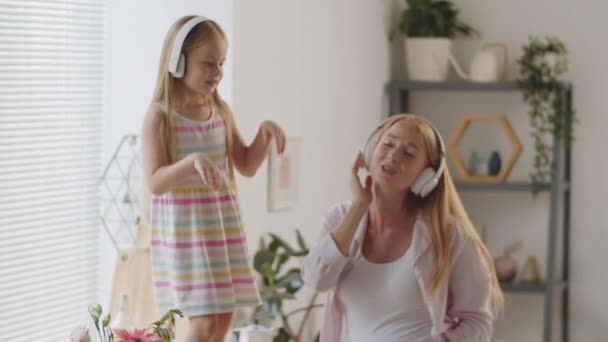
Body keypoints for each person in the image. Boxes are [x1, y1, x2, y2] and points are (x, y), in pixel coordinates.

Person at [142, 15, 286, 342]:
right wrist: (192, 162)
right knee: (203, 323)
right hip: (186, 233)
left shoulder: (221, 112)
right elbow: (155, 182)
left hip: (221, 228)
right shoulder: (160, 117)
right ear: (178, 62)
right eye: (208, 63)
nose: (217, 72)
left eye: (221, 63)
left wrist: (263, 137)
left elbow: (245, 164)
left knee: (222, 320)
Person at [301, 114, 503, 342]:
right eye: (387, 144)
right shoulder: (339, 218)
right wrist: (359, 207)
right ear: (369, 151)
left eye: (409, 154)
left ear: (427, 176)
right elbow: (316, 280)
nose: (394, 156)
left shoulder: (447, 234)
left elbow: (477, 323)